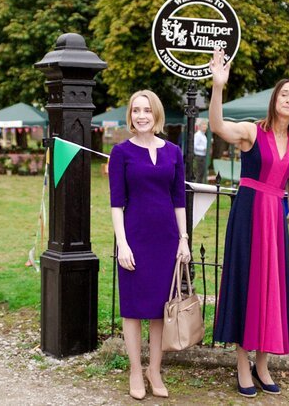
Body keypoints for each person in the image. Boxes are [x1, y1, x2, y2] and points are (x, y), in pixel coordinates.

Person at [208, 48, 289, 398]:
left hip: (275, 224)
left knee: (271, 292)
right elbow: (217, 126)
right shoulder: (252, 132)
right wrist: (218, 86)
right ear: (274, 100)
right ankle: (242, 364)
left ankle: (263, 365)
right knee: (246, 286)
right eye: (284, 94)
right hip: (248, 217)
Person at [109, 90, 190, 400]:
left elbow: (179, 200)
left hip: (166, 239)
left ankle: (154, 370)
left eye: (146, 110)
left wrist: (183, 239)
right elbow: (116, 203)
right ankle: (135, 370)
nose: (141, 115)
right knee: (132, 309)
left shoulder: (173, 152)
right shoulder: (121, 152)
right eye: (136, 110)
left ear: (156, 114)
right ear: (130, 115)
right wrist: (122, 244)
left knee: (159, 310)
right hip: (135, 237)